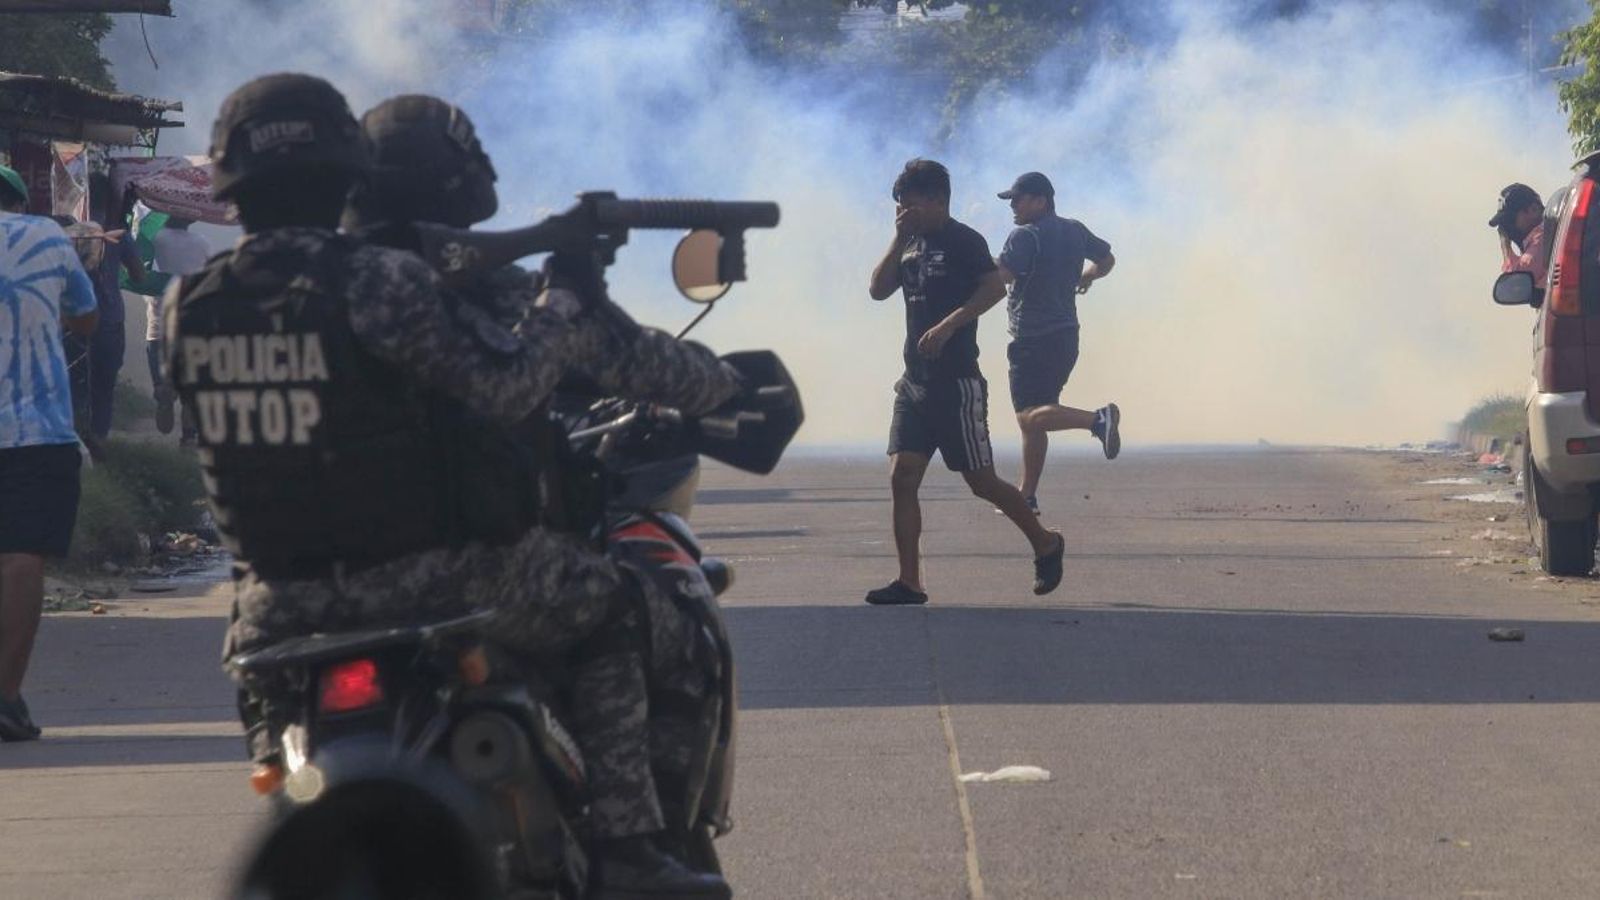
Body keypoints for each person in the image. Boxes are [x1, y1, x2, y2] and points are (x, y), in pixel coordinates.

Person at [162, 73, 730, 899]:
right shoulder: (376, 281)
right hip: (439, 588)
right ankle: (632, 848)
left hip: (275, 609)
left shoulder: (190, 302)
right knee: (628, 611)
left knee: (270, 706)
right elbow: (503, 386)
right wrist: (565, 295)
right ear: (341, 168)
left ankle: (294, 829)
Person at [346, 92, 746, 862]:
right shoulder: (501, 292)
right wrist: (719, 384)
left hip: (310, 593)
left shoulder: (308, 293)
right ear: (462, 184)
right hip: (469, 576)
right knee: (646, 610)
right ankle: (638, 844)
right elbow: (636, 361)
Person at [864, 158, 1065, 606]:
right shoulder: (909, 242)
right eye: (899, 207)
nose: (904, 213)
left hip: (957, 384)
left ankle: (1046, 542)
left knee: (981, 481)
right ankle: (909, 582)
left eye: (910, 205)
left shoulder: (963, 240)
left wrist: (950, 324)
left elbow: (994, 289)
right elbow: (877, 290)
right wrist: (899, 237)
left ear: (937, 200)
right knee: (902, 475)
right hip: (914, 384)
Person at [0, 164, 100, 741]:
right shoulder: (47, 236)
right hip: (36, 431)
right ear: (20, 201)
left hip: (38, 434)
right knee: (19, 559)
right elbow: (86, 320)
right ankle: (6, 697)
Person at [993, 171, 1120, 511]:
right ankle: (1027, 495)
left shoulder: (1025, 236)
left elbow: (1002, 277)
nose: (1013, 207)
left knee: (1029, 417)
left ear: (1040, 201)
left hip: (1033, 338)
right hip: (1066, 336)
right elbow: (1106, 260)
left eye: (1018, 200)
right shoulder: (1074, 229)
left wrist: (973, 269)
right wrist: (1088, 276)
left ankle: (1097, 420)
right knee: (1037, 416)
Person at [80, 201, 144, 449]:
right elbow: (139, 276)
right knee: (103, 385)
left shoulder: (69, 233)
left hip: (70, 318)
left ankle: (73, 431)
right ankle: (97, 439)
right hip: (108, 319)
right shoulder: (118, 237)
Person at [149, 216, 208, 441]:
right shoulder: (202, 242)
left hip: (160, 321)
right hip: (192, 320)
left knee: (161, 370)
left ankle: (163, 393)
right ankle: (188, 437)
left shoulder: (155, 238)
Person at [1491, 182, 1548, 277]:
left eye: (1511, 219)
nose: (1508, 227)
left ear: (1533, 209)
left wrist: (1506, 248)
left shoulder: (1543, 236)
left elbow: (1519, 278)